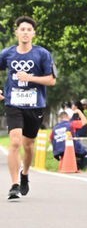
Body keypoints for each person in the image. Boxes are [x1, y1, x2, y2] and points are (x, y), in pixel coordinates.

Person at [0, 15, 57, 199]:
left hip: (35, 104)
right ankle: (14, 184)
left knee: (28, 145)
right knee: (15, 142)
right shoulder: (7, 54)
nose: (25, 32)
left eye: (28, 30)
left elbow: (51, 80)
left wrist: (30, 78)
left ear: (33, 33)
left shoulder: (42, 54)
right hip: (13, 102)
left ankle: (25, 174)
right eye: (22, 29)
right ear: (16, 32)